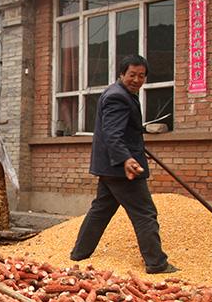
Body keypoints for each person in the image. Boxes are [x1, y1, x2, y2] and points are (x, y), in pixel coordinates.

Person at [70, 54, 178, 275]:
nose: (136, 80)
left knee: (101, 209)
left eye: (141, 76)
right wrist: (127, 159)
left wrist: (136, 152)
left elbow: (123, 132)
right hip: (120, 169)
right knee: (145, 213)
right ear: (121, 74)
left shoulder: (120, 93)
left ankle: (79, 253)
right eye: (132, 75)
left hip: (111, 167)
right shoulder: (118, 97)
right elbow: (111, 133)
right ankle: (157, 263)